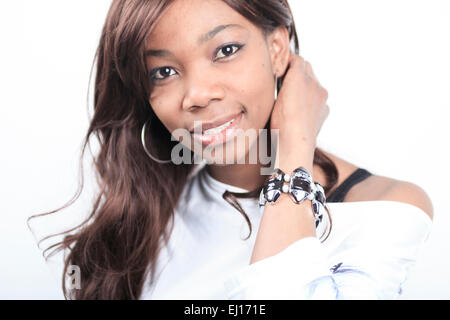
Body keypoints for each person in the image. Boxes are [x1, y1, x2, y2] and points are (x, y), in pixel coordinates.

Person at [29, 0, 434, 300]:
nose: (197, 95)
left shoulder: (385, 208)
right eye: (164, 72)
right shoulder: (146, 213)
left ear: (277, 50)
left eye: (225, 50)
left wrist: (293, 148)